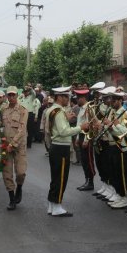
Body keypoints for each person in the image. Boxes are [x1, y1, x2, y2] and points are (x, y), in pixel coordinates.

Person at [45, 86, 89, 217]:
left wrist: (67, 120)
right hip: (60, 148)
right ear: (60, 97)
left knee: (55, 178)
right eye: (66, 97)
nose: (68, 99)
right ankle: (57, 206)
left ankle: (52, 204)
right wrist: (80, 127)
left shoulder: (53, 109)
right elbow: (63, 132)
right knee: (61, 178)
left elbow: (59, 127)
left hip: (55, 147)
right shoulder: (58, 111)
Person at [1, 86, 28, 210]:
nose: (11, 97)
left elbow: (22, 130)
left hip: (19, 146)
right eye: (9, 95)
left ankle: (19, 187)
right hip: (6, 146)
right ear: (7, 96)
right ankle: (11, 198)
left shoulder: (23, 110)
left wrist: (13, 144)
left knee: (21, 172)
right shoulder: (3, 109)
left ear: (17, 96)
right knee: (7, 173)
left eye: (13, 95)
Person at [74, 89, 95, 191]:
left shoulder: (88, 108)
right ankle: (87, 180)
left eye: (78, 98)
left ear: (83, 98)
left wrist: (86, 140)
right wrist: (78, 138)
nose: (76, 100)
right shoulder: (81, 108)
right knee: (84, 160)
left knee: (89, 160)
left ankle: (90, 182)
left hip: (88, 137)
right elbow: (80, 125)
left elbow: (89, 125)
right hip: (82, 135)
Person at [18, 84, 36, 149]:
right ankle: (22, 143)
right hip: (22, 114)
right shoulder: (21, 98)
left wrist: (30, 88)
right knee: (22, 129)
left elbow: (34, 93)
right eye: (25, 91)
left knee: (30, 130)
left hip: (30, 114)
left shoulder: (31, 97)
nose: (26, 92)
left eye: (27, 91)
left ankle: (29, 144)